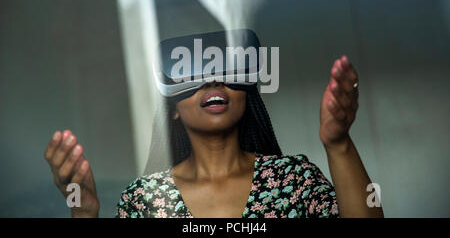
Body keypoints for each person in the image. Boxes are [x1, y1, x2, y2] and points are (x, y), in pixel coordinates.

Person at [44, 53, 384, 218]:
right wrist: (84, 212)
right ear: (174, 108)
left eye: (226, 69)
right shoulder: (143, 200)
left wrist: (338, 145)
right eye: (190, 73)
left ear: (245, 95)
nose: (211, 79)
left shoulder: (295, 180)